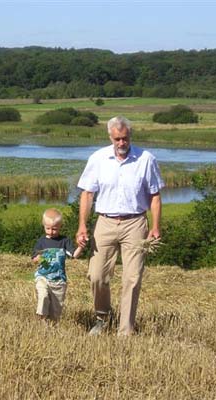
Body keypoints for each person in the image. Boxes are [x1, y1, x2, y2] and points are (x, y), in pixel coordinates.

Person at [76, 116, 164, 336]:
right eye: (117, 139)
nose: (122, 143)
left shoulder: (146, 159)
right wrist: (82, 226)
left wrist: (155, 226)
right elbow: (87, 194)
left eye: (125, 138)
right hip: (104, 222)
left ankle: (126, 330)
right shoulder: (97, 159)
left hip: (135, 223)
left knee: (132, 277)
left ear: (130, 136)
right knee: (97, 275)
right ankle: (102, 318)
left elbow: (155, 195)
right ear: (110, 137)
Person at [32, 208, 84, 323]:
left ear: (60, 226)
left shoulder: (64, 241)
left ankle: (51, 326)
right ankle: (41, 318)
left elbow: (74, 255)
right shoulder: (41, 241)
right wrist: (38, 259)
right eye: (48, 228)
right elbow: (34, 258)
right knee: (43, 295)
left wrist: (80, 246)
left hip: (59, 280)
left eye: (54, 229)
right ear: (43, 226)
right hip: (43, 277)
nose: (51, 231)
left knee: (56, 312)